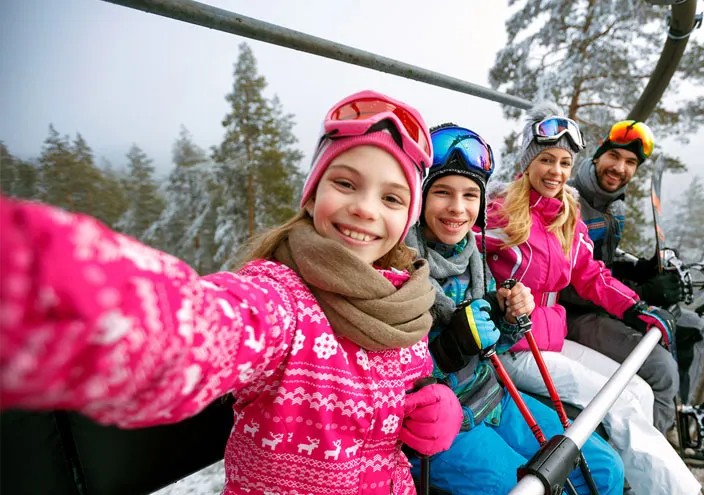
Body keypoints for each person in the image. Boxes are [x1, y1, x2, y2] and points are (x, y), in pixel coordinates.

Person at [0, 90, 463, 495]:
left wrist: (437, 408)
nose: (364, 208)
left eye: (391, 198)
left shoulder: (404, 300)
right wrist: (37, 277)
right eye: (345, 183)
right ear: (313, 192)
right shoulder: (281, 300)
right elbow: (195, 330)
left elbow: (412, 388)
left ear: (406, 220)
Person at [482, 104, 701, 494]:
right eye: (546, 159)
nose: (556, 171)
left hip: (551, 337)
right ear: (528, 161)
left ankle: (641, 479)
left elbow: (590, 274)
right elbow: (463, 253)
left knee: (638, 390)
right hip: (514, 345)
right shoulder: (500, 210)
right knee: (618, 404)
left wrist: (635, 307)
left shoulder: (567, 213)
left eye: (565, 162)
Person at [405, 123, 624, 495]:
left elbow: (498, 344)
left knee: (604, 470)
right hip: (442, 420)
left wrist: (507, 315)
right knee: (522, 486)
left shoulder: (473, 258)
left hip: (493, 394)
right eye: (442, 192)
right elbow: (386, 373)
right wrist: (449, 348)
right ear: (420, 198)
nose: (457, 208)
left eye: (470, 195)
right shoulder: (401, 264)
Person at [560, 120, 704, 466]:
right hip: (573, 313)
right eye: (614, 156)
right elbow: (567, 282)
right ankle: (643, 464)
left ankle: (675, 417)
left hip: (604, 300)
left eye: (631, 163)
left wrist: (639, 270)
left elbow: (601, 265)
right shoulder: (570, 202)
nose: (620, 168)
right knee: (661, 369)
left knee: (694, 329)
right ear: (598, 155)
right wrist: (641, 292)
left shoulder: (615, 209)